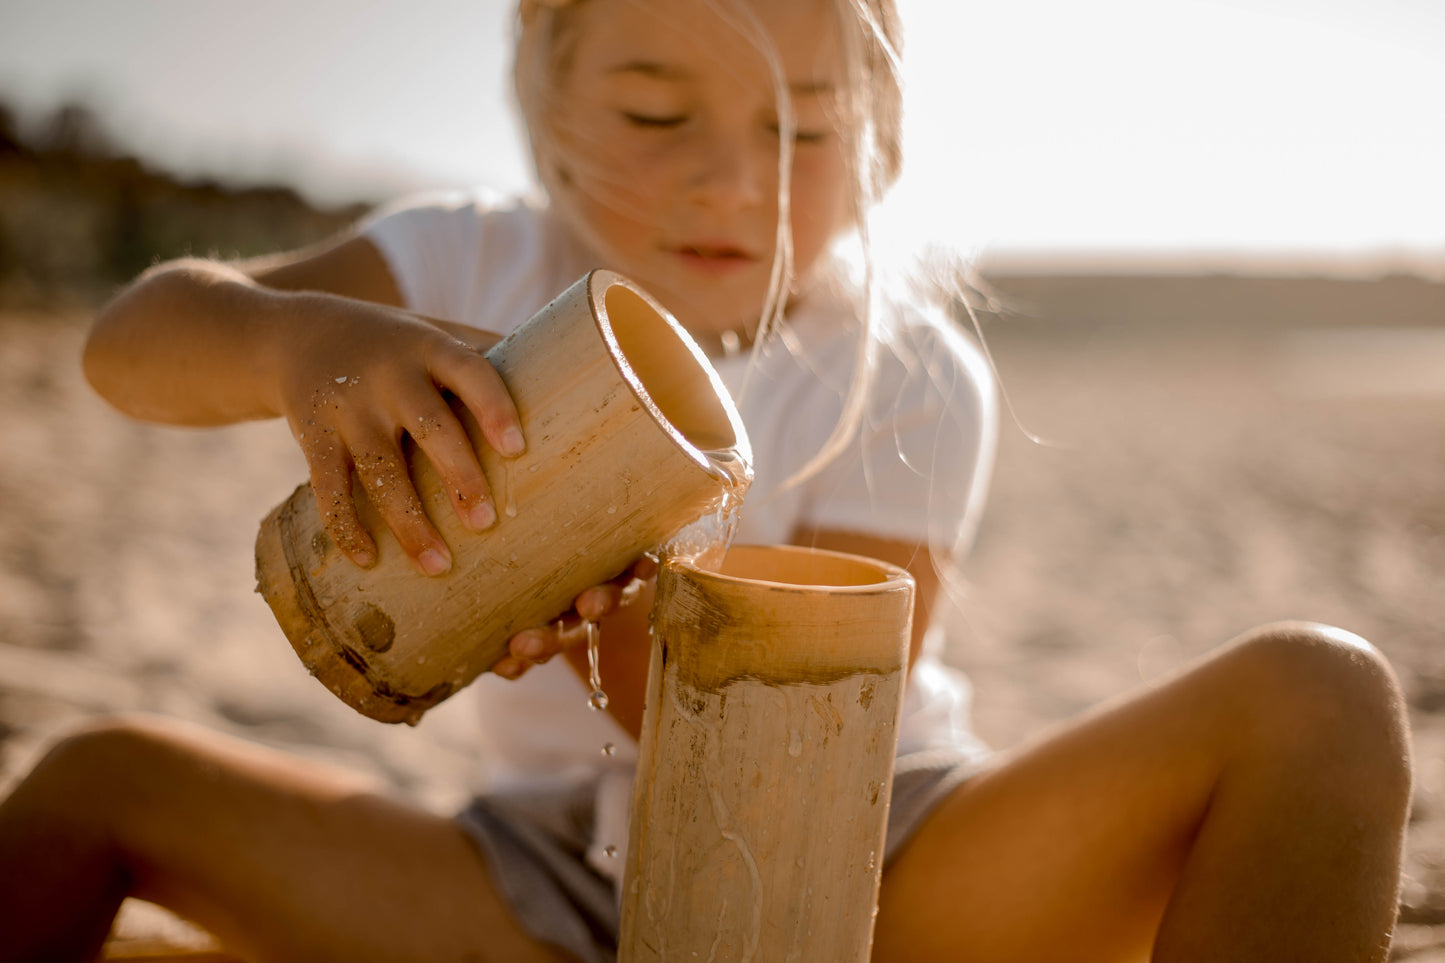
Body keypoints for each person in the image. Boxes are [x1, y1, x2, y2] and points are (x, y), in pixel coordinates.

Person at [0, 0, 1412, 960]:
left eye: (801, 129)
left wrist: (588, 591)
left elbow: (814, 734)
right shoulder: (471, 264)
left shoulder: (906, 370)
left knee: (1320, 697)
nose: (732, 181)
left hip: (879, 872)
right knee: (94, 782)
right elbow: (133, 347)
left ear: (883, 144)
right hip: (538, 878)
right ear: (549, 111)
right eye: (655, 113)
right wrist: (299, 341)